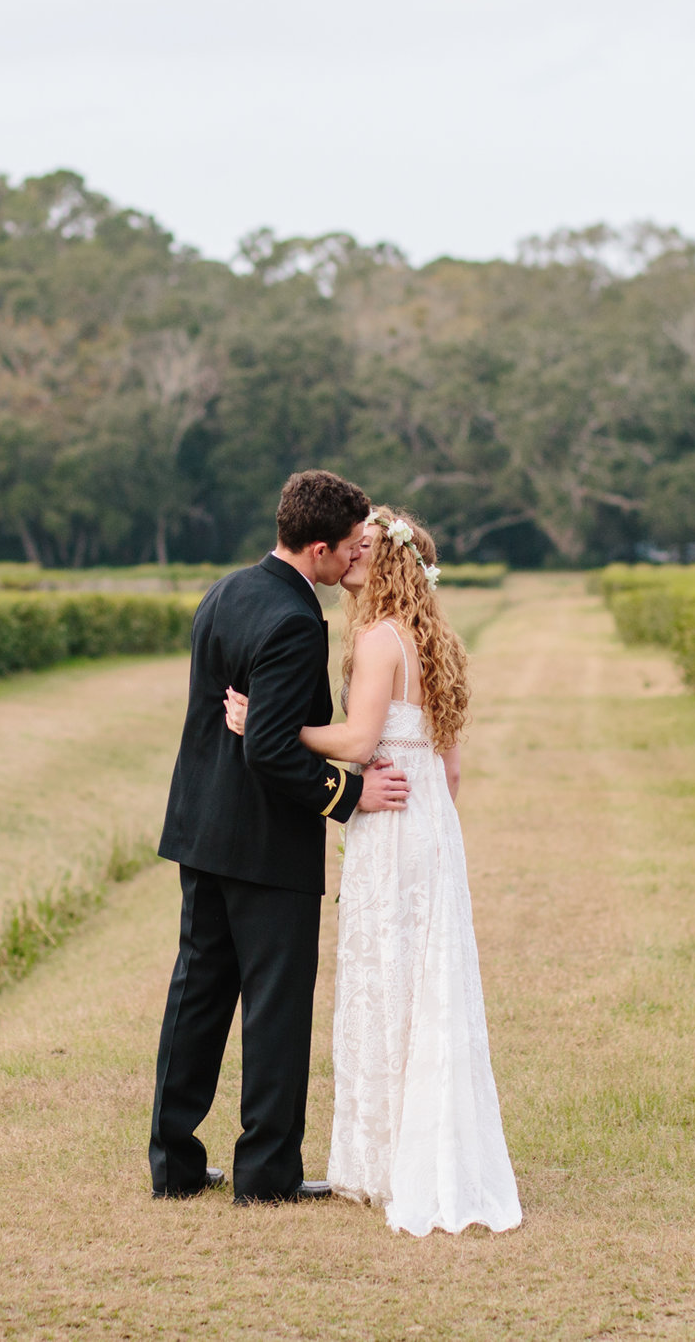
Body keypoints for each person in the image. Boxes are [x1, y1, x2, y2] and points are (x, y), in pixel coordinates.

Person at [224, 506, 521, 1235]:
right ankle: (416, 1147)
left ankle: (389, 1159)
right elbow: (449, 769)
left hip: (390, 824)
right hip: (429, 826)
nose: (351, 558)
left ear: (385, 565)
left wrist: (271, 723)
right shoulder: (435, 639)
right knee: (427, 981)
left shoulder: (380, 638)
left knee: (388, 978)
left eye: (364, 552)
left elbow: (358, 737)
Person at [149, 469, 412, 1204]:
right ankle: (265, 1174)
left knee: (196, 997)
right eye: (350, 547)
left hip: (201, 830)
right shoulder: (298, 619)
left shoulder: (227, 590)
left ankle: (172, 1163)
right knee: (274, 1008)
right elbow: (267, 746)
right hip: (266, 846)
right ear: (321, 547)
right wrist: (351, 794)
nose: (354, 559)